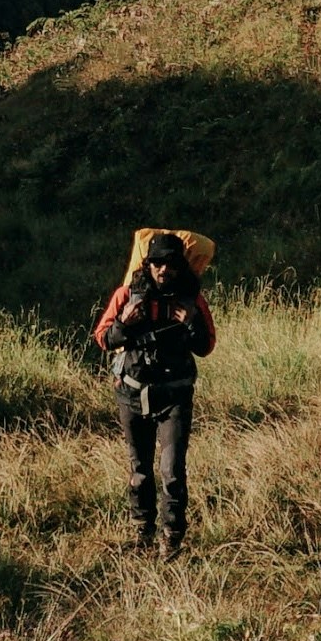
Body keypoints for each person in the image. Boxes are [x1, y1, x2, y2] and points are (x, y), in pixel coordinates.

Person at [93, 228, 217, 560]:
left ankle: (172, 539)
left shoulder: (192, 301)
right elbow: (103, 338)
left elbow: (207, 346)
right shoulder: (126, 296)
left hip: (174, 396)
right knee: (139, 470)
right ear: (148, 266)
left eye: (171, 265)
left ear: (181, 267)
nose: (164, 271)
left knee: (172, 470)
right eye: (158, 264)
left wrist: (190, 323)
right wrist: (124, 323)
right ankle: (142, 535)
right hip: (132, 395)